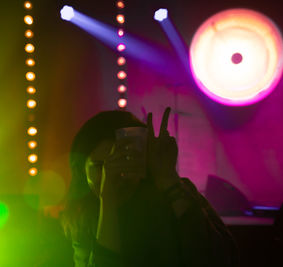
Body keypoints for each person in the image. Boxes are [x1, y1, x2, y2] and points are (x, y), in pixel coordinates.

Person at [61, 107, 238, 267]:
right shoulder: (83, 212)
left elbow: (220, 259)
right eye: (101, 166)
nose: (115, 174)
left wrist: (168, 177)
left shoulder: (173, 192)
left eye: (125, 161)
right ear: (81, 171)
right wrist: (108, 201)